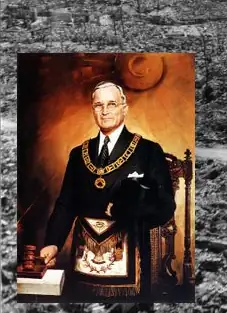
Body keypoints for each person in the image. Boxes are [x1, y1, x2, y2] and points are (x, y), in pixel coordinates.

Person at [40, 81, 176, 302]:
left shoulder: (148, 151)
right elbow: (66, 204)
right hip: (83, 264)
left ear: (124, 108)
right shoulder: (78, 154)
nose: (105, 111)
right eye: (98, 105)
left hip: (131, 264)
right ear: (92, 109)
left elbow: (165, 206)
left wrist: (128, 209)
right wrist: (52, 243)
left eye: (111, 104)